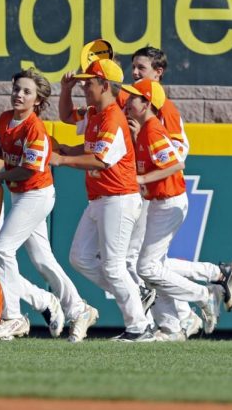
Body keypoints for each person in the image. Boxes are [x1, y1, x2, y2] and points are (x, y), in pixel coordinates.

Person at [122, 46, 232, 339]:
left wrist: (144, 167)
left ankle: (188, 310)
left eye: (142, 68)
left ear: (158, 73)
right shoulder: (132, 100)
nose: (135, 72)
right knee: (148, 264)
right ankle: (210, 280)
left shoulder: (163, 110)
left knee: (142, 265)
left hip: (162, 194)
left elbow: (177, 155)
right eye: (133, 66)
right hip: (152, 193)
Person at [0, 68, 97, 342]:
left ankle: (12, 318)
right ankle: (79, 309)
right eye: (17, 89)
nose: (19, 95)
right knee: (43, 260)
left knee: (2, 249)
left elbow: (27, 171)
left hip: (36, 194)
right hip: (20, 194)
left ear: (38, 100)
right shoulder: (6, 118)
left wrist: (0, 177)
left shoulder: (35, 128)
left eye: (26, 91)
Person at [53, 59, 152, 342]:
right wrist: (63, 147)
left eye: (89, 82)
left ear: (105, 85)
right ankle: (135, 291)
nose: (84, 86)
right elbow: (75, 131)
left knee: (112, 265)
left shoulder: (112, 117)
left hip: (119, 197)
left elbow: (100, 159)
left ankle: (138, 328)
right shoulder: (96, 113)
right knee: (80, 257)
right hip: (101, 198)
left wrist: (61, 158)